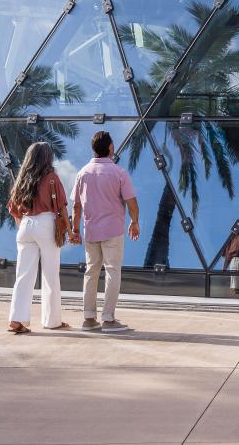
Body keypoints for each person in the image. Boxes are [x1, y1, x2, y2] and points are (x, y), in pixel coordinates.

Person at [70, 131, 140, 332]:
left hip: (90, 231)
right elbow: (131, 202)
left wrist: (75, 229)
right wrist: (134, 222)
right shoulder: (119, 173)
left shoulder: (82, 173)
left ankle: (89, 318)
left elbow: (76, 206)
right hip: (113, 231)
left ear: (93, 149)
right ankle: (108, 319)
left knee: (91, 272)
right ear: (110, 148)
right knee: (112, 271)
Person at [6, 142, 71, 334]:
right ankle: (52, 321)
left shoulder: (23, 178)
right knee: (50, 274)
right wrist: (70, 230)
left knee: (23, 275)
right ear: (47, 157)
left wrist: (25, 226)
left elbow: (13, 209)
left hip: (26, 226)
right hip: (46, 224)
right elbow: (61, 207)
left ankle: (16, 319)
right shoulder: (51, 178)